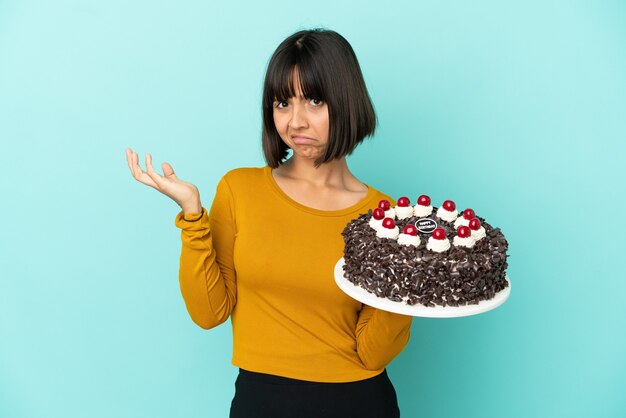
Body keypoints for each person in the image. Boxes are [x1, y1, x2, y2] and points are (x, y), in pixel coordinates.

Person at [126, 28, 413, 418]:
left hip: (359, 402)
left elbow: (373, 350)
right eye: (282, 103)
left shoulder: (385, 215)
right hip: (261, 401)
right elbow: (209, 313)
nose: (296, 121)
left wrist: (411, 278)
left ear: (346, 101)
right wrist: (193, 216)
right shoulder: (239, 190)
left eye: (314, 100)